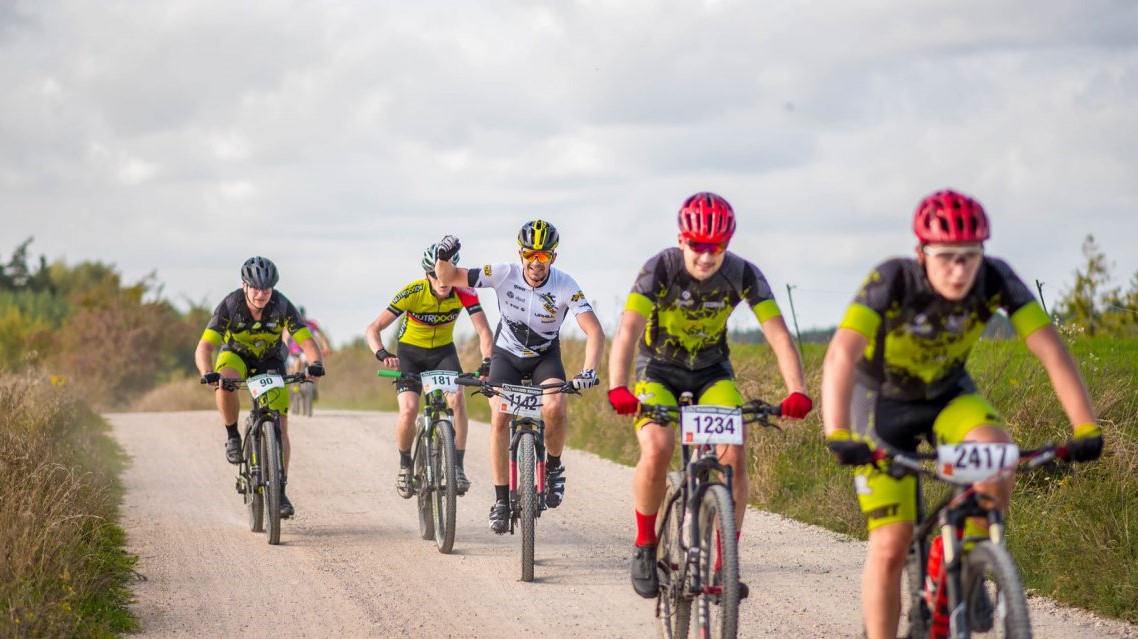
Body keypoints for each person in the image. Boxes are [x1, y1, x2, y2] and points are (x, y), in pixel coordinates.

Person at [819, 189, 1103, 639]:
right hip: (880, 402)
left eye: (969, 256)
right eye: (947, 256)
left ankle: (961, 558)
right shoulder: (893, 279)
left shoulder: (995, 278)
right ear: (921, 253)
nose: (959, 269)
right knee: (891, 544)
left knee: (997, 454)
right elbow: (841, 354)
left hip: (948, 394)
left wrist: (1085, 425)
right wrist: (836, 432)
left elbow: (1051, 349)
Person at [605, 192, 813, 599]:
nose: (705, 256)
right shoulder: (659, 268)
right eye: (697, 245)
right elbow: (628, 329)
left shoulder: (742, 274)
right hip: (658, 370)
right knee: (657, 446)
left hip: (712, 372)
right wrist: (618, 387)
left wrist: (798, 391)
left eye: (714, 247)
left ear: (727, 244)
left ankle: (725, 565)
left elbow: (778, 334)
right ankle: (645, 546)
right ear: (682, 240)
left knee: (732, 452)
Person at [432, 220, 606, 534]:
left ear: (553, 256)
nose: (536, 263)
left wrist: (589, 370)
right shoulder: (503, 273)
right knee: (501, 417)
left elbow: (593, 330)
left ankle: (554, 469)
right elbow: (447, 277)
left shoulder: (565, 284)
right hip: (506, 355)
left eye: (543, 256)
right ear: (520, 253)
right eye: (530, 255)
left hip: (544, 357)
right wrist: (444, 256)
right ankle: (500, 501)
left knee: (554, 406)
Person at [195, 256, 326, 519]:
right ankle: (232, 436)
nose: (261, 294)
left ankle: (281, 489)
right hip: (236, 355)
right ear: (244, 286)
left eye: (266, 289)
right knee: (225, 383)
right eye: (255, 288)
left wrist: (315, 364)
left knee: (280, 426)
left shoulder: (281, 305)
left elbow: (307, 341)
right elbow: (205, 347)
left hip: (270, 360)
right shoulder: (230, 305)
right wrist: (207, 372)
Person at [365, 243, 494, 498]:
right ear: (427, 274)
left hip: (443, 354)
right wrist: (382, 354)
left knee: (457, 400)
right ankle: (404, 466)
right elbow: (373, 328)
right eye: (435, 275)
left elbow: (484, 331)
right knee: (409, 410)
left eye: (446, 274)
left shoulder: (464, 291)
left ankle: (457, 466)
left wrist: (487, 361)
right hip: (409, 355)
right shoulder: (413, 292)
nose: (441, 280)